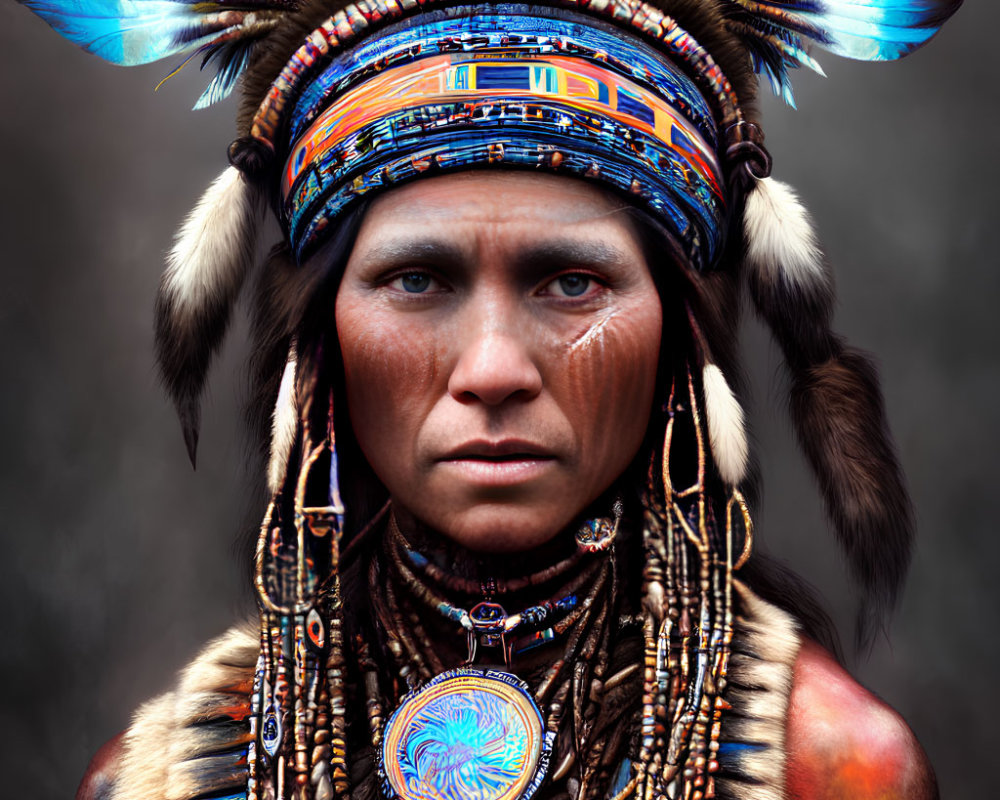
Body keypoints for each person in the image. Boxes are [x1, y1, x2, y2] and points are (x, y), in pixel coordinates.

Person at [16, 0, 962, 799]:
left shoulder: (829, 766)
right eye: (418, 281)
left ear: (681, 340)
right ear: (321, 346)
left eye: (571, 282)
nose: (495, 369)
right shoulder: (167, 778)